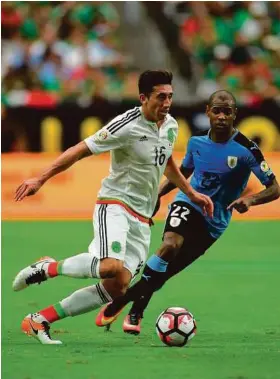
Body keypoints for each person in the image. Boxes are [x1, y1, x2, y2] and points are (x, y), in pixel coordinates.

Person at [12, 70, 213, 345]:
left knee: (118, 287)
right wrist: (41, 178)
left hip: (142, 216)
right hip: (115, 203)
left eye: (170, 96)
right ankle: (49, 268)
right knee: (109, 266)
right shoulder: (126, 124)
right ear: (143, 98)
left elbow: (166, 162)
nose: (167, 102)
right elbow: (80, 149)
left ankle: (40, 319)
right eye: (160, 97)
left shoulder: (171, 125)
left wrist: (191, 193)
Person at [96, 90, 280, 335]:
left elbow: (274, 188)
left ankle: (127, 303)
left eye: (227, 112)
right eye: (217, 111)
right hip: (189, 203)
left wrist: (251, 199)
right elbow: (182, 173)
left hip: (215, 222)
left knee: (166, 271)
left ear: (235, 114)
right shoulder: (196, 142)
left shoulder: (247, 150)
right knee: (169, 246)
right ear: (208, 112)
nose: (222, 117)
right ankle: (130, 309)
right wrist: (157, 195)